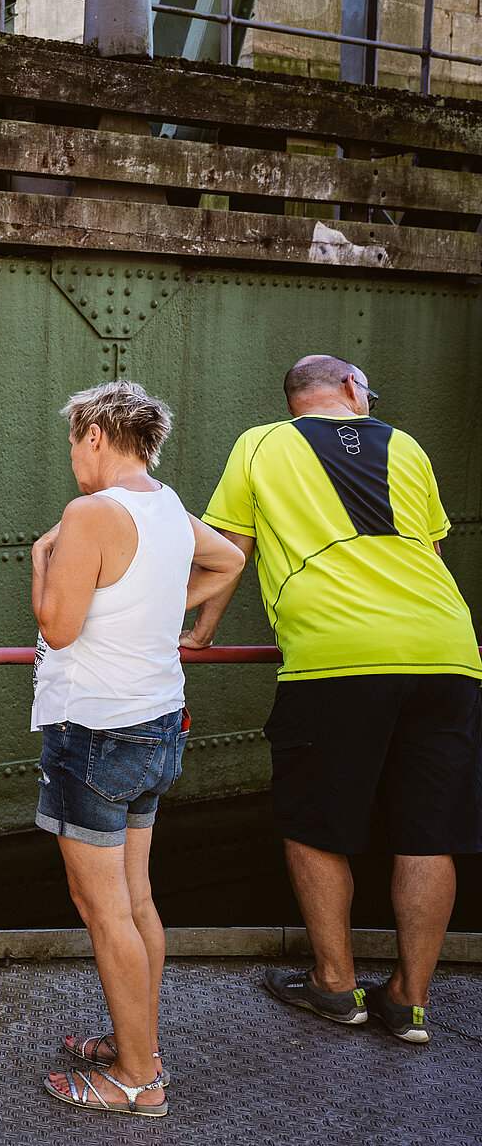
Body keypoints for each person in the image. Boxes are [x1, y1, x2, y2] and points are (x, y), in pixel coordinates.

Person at [183, 355, 481, 1044]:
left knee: (315, 822)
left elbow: (232, 548)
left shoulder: (259, 444)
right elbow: (428, 552)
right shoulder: (407, 445)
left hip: (338, 659)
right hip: (447, 652)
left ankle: (334, 985)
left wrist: (200, 634)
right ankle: (408, 1001)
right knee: (429, 831)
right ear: (351, 389)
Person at [31, 381, 246, 1118]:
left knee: (104, 910)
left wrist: (42, 559)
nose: (71, 457)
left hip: (93, 730)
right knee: (138, 898)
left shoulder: (89, 514)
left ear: (95, 434)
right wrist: (158, 607)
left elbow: (57, 628)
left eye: (72, 441)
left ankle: (134, 1080)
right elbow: (227, 565)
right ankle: (140, 1047)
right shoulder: (166, 508)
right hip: (157, 722)